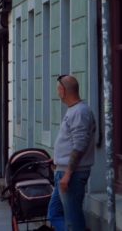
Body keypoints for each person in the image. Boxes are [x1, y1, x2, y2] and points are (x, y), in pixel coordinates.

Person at [47, 75, 96, 231]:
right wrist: (57, 159)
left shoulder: (80, 112)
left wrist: (67, 174)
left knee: (72, 219)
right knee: (54, 213)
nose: (57, 92)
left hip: (71, 175)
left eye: (57, 89)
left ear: (63, 90)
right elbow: (71, 143)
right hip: (63, 171)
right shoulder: (74, 111)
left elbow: (79, 146)